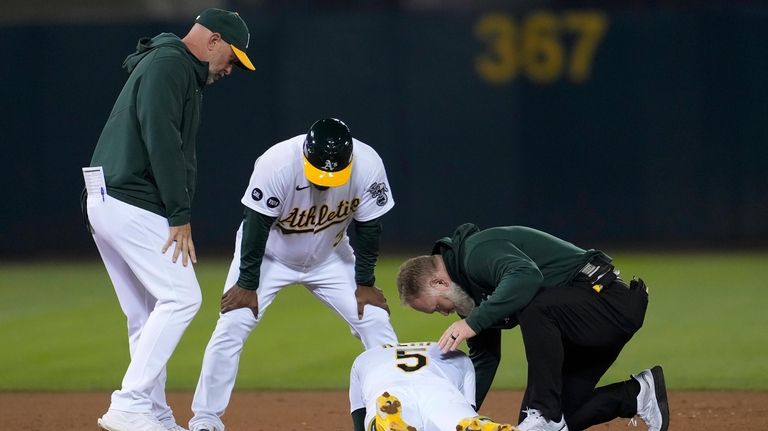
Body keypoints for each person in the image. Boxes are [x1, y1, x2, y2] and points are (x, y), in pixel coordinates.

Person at [80, 8, 255, 431]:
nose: (231, 68)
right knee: (182, 297)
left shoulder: (172, 65)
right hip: (130, 199)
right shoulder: (172, 64)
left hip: (109, 198)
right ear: (213, 40)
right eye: (231, 57)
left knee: (145, 312)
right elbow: (160, 138)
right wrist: (179, 214)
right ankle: (130, 402)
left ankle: (151, 411)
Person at [188, 118, 398, 431]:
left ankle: (393, 410)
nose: (326, 179)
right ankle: (205, 418)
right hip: (270, 257)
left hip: (331, 257)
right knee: (233, 323)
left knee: (375, 321)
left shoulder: (368, 165)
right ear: (305, 153)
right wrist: (247, 283)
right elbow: (256, 225)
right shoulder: (277, 163)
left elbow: (370, 228)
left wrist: (364, 283)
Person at [395, 223, 669, 431]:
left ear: (440, 283)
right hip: (579, 324)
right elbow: (485, 360)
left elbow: (526, 277)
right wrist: (454, 418)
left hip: (608, 305)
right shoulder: (472, 297)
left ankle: (545, 411)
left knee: (534, 304)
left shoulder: (475, 253)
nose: (443, 313)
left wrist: (473, 322)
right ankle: (636, 394)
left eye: (436, 306)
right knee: (545, 422)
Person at [349, 341, 516, 431]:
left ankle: (383, 425)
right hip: (440, 390)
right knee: (460, 421)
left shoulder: (364, 358)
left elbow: (359, 418)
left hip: (389, 392)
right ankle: (478, 427)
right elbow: (470, 406)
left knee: (382, 423)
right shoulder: (458, 355)